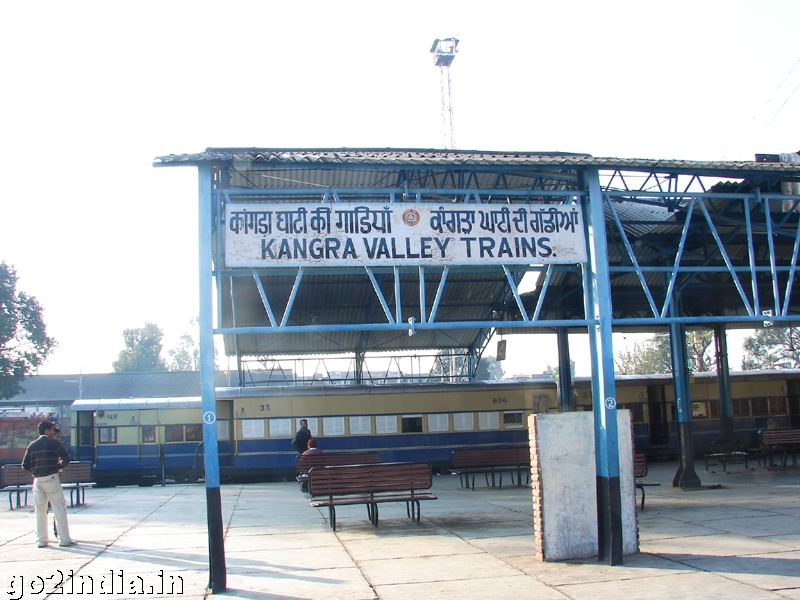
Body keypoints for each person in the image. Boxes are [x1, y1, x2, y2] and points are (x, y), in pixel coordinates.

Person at [21, 420, 76, 548]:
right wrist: (57, 467)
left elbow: (25, 465)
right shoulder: (53, 443)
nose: (53, 432)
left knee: (40, 511)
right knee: (59, 509)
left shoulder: (32, 445)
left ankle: (42, 540)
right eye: (52, 429)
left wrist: (35, 471)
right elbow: (66, 458)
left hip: (37, 480)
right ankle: (64, 539)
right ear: (46, 431)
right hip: (51, 478)